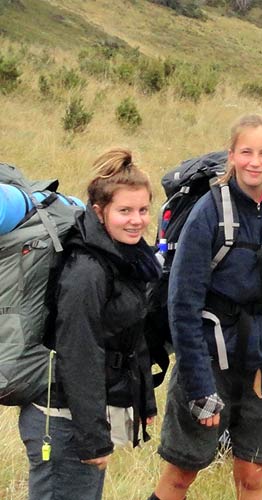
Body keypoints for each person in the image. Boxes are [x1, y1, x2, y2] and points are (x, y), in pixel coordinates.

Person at [151, 114, 262, 500]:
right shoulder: (208, 212)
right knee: (182, 472)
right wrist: (198, 387)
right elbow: (182, 304)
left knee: (253, 474)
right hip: (209, 361)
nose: (255, 162)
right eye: (246, 152)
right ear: (232, 155)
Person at [18, 148, 159, 500]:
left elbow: (129, 337)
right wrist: (93, 439)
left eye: (143, 210)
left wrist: (145, 403)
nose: (136, 220)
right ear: (99, 211)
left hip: (81, 418)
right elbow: (78, 355)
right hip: (63, 423)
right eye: (124, 211)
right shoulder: (86, 270)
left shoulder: (125, 259)